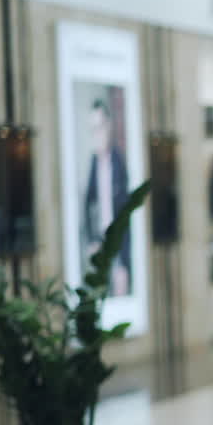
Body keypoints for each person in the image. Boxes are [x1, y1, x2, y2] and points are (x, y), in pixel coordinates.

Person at [82, 98, 132, 296]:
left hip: (119, 243)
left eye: (100, 127)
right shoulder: (93, 163)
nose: (98, 135)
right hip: (100, 241)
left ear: (109, 126)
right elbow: (87, 203)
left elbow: (128, 210)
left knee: (121, 288)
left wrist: (125, 260)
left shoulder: (119, 161)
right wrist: (92, 239)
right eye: (93, 130)